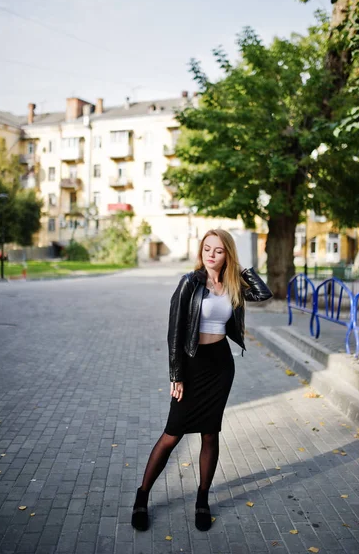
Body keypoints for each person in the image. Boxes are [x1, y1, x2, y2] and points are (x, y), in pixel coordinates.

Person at [131, 228, 273, 532]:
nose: (211, 254)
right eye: (207, 248)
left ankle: (202, 499)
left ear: (227, 255)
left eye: (219, 250)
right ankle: (142, 497)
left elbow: (264, 293)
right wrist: (176, 375)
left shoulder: (232, 284)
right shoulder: (189, 283)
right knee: (172, 434)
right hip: (192, 364)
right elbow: (174, 333)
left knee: (210, 434)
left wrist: (242, 268)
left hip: (220, 365)